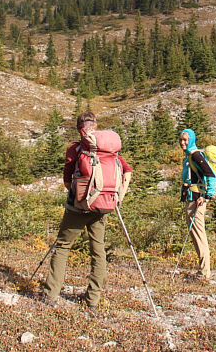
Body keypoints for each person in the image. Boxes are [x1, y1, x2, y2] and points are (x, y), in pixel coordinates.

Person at [44, 111, 132, 310]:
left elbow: (67, 181)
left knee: (63, 246)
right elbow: (127, 170)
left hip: (79, 206)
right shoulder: (109, 150)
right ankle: (92, 299)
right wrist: (118, 196)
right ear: (96, 124)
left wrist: (81, 195)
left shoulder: (75, 148)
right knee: (98, 250)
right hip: (103, 205)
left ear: (78, 127)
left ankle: (51, 294)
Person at [179, 128, 216, 281]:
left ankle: (204, 272)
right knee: (195, 234)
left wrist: (206, 196)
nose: (182, 142)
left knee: (199, 235)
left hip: (196, 200)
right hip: (191, 198)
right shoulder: (189, 156)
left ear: (191, 140)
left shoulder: (195, 155)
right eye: (181, 140)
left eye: (185, 140)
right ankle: (202, 270)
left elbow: (210, 174)